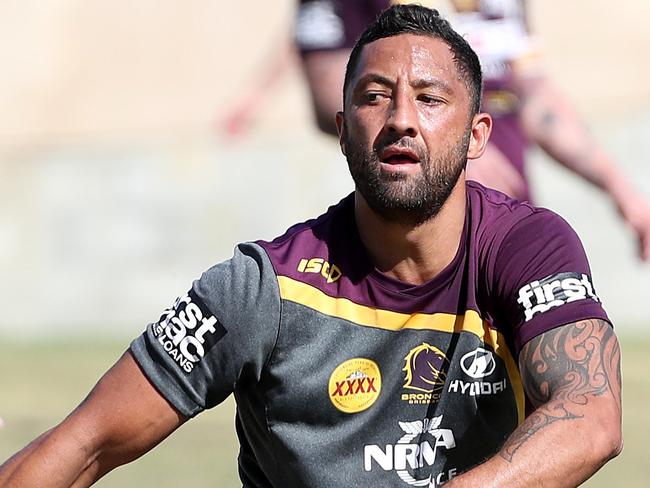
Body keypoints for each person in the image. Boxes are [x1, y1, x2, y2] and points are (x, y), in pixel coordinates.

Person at [0, 5, 621, 487]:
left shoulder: (527, 248)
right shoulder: (262, 289)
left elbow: (591, 418)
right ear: (343, 129)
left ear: (476, 134)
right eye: (375, 98)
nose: (402, 118)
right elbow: (86, 445)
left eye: (430, 99)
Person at [228, 0, 650, 259]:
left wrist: (623, 192)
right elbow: (330, 94)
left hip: (506, 231)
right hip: (414, 247)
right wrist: (444, 147)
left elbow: (535, 98)